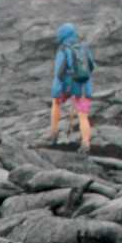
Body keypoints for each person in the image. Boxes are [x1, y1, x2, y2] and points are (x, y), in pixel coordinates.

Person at [46, 23, 96, 152]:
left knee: (55, 103)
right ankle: (86, 143)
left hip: (68, 87)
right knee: (83, 115)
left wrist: (57, 92)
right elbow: (91, 66)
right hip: (84, 86)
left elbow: (59, 72)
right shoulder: (84, 47)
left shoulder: (63, 49)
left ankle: (54, 134)